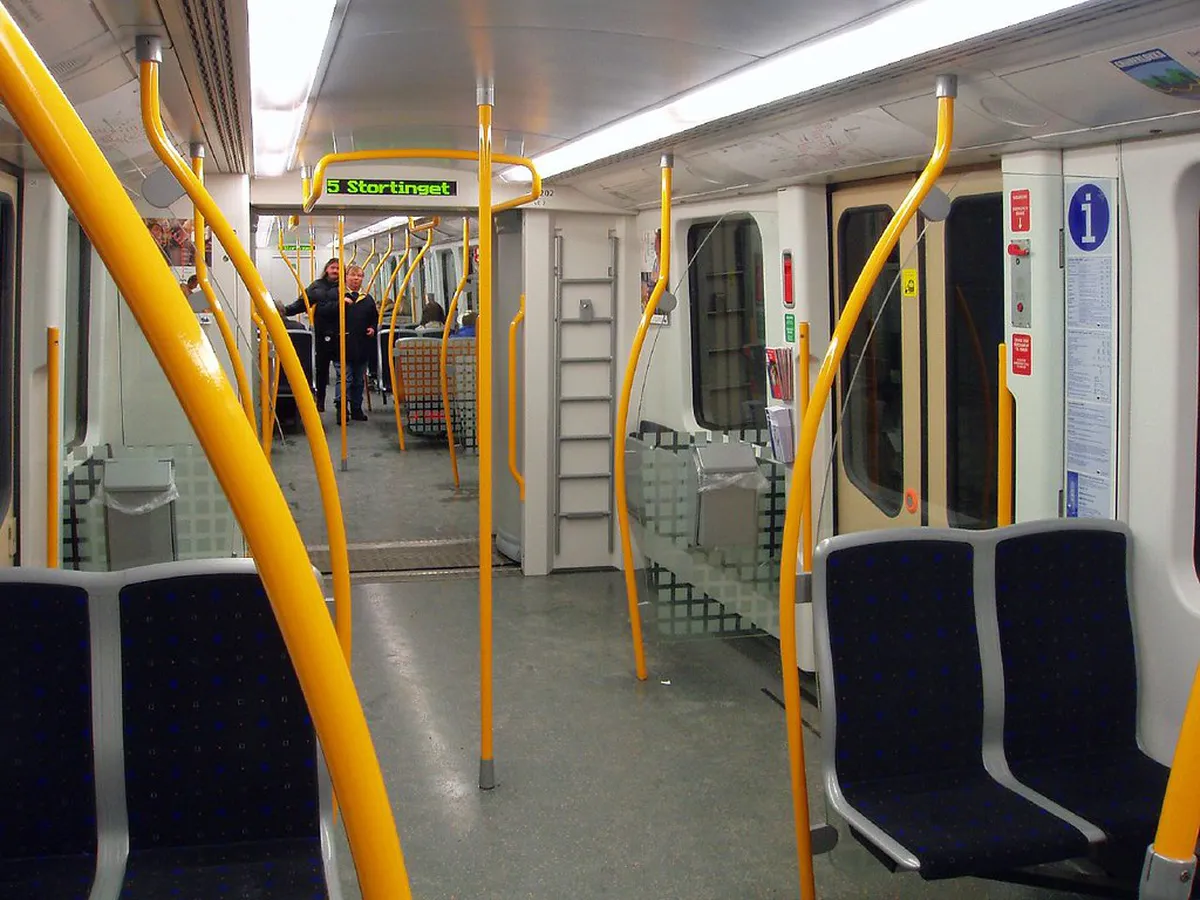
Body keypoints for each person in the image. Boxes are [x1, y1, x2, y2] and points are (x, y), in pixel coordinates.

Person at [278, 258, 341, 412]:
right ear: (327, 269)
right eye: (333, 267)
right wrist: (283, 311)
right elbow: (301, 304)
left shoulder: (345, 288)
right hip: (321, 333)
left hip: (342, 333)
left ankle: (342, 404)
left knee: (344, 372)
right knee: (321, 370)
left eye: (338, 268)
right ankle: (320, 400)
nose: (335, 271)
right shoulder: (316, 287)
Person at [333, 264, 378, 422]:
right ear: (346, 277)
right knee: (345, 379)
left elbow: (374, 318)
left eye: (359, 276)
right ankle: (341, 409)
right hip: (342, 344)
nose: (356, 279)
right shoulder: (337, 297)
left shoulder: (367, 299)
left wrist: (372, 328)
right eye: (353, 275)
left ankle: (356, 408)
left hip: (362, 345)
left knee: (359, 380)